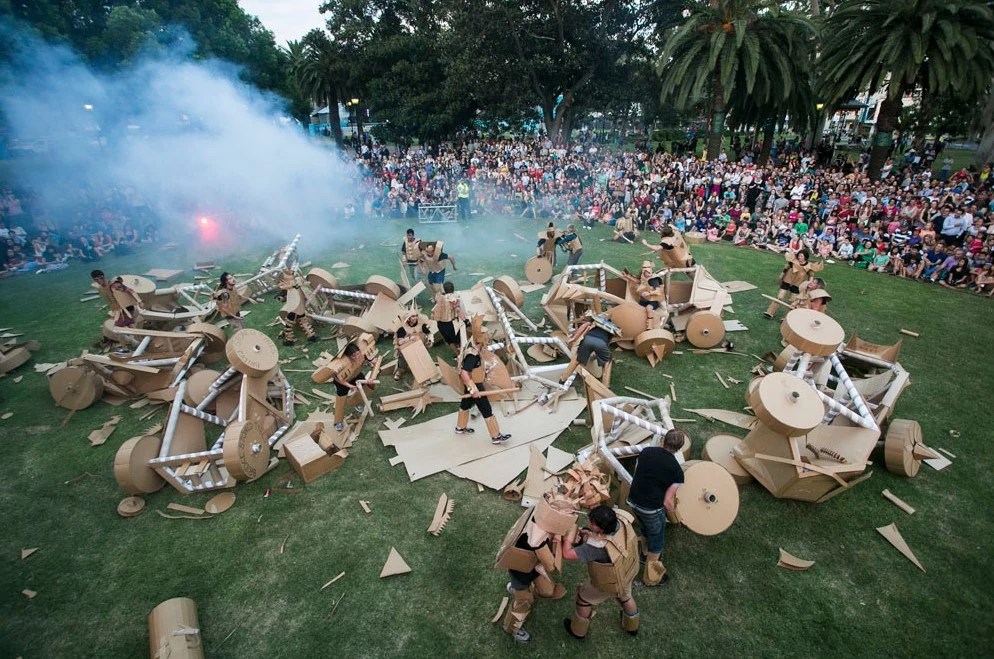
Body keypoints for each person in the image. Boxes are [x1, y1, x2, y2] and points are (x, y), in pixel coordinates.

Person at [496, 502, 572, 644]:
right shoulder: (538, 538)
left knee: (548, 591)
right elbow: (552, 565)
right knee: (524, 602)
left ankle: (518, 588)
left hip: (535, 565)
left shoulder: (538, 515)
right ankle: (511, 628)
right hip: (520, 569)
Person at [562, 505, 641, 640]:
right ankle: (632, 626)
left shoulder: (595, 547)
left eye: (592, 523)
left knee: (583, 599)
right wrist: (591, 534)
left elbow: (567, 554)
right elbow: (609, 539)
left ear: (602, 529)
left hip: (609, 581)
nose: (588, 523)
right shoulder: (622, 523)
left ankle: (578, 631)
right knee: (625, 596)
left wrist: (568, 538)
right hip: (626, 570)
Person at [626, 428, 686, 586]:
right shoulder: (677, 471)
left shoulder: (646, 452)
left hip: (633, 500)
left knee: (646, 527)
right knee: (657, 543)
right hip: (650, 508)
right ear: (679, 448)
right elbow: (667, 501)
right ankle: (651, 578)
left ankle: (644, 552)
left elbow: (637, 471)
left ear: (664, 441)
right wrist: (674, 513)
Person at [455, 316, 511, 444]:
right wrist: (473, 389)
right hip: (475, 385)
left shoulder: (476, 349)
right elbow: (464, 373)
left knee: (465, 405)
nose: (488, 339)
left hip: (473, 383)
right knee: (486, 410)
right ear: (481, 338)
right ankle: (496, 436)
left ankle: (460, 427)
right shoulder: (472, 355)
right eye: (486, 337)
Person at [311, 334, 378, 432]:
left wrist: (371, 362)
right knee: (341, 399)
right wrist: (350, 386)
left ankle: (356, 403)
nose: (357, 356)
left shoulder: (361, 355)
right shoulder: (342, 364)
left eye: (358, 353)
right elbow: (338, 379)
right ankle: (338, 422)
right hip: (342, 382)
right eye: (354, 356)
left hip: (356, 375)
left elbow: (365, 360)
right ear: (349, 356)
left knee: (364, 388)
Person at [557, 312, 621, 387]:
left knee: (577, 359)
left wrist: (573, 338)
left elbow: (583, 326)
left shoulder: (595, 320)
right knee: (607, 361)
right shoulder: (612, 328)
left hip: (588, 339)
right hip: (601, 343)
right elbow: (607, 342)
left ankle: (562, 379)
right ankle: (605, 385)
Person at [764, 249, 821, 318]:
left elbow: (811, 276)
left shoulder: (809, 266)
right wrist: (781, 276)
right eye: (799, 255)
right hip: (787, 281)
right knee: (779, 297)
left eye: (801, 256)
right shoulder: (793, 261)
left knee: (792, 301)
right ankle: (770, 312)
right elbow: (786, 269)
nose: (799, 257)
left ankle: (786, 317)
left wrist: (809, 284)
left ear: (805, 257)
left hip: (797, 285)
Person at [277, 268, 318, 346]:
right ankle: (312, 336)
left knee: (289, 321)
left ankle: (289, 339)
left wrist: (290, 285)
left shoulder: (293, 281)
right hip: (296, 300)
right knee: (302, 319)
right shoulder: (293, 281)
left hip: (295, 302)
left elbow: (287, 286)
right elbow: (283, 286)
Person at [392, 309, 434, 382]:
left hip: (420, 346)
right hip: (407, 348)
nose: (415, 318)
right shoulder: (402, 328)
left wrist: (430, 340)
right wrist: (409, 338)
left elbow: (430, 333)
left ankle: (426, 372)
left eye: (416, 316)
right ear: (408, 319)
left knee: (423, 360)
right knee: (402, 360)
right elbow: (400, 342)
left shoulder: (422, 325)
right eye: (412, 316)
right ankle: (399, 371)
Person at [431, 281, 467, 352]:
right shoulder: (453, 298)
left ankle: (457, 354)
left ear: (444, 289)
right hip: (450, 323)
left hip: (440, 324)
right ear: (453, 289)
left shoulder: (438, 297)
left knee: (449, 341)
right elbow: (458, 310)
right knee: (458, 340)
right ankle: (461, 354)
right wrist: (466, 320)